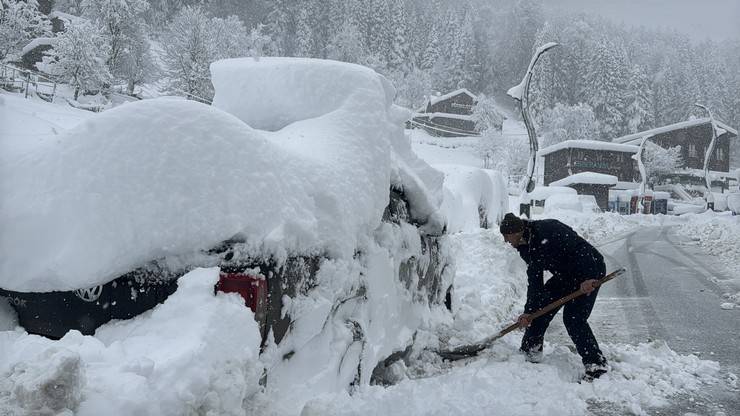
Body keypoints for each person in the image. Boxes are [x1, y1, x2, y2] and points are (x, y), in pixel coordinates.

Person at [499, 213, 608, 381]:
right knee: (540, 310)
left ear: (516, 231)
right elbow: (535, 281)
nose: (505, 241)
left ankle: (596, 363)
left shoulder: (548, 229)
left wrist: (590, 277)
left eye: (506, 236)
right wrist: (529, 312)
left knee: (574, 318)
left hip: (590, 270)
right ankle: (530, 351)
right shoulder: (524, 247)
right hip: (565, 275)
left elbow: (580, 249)